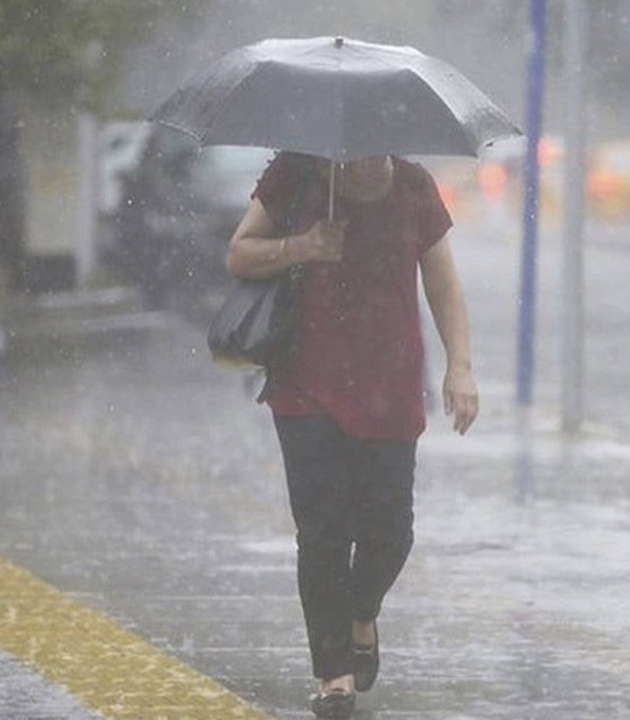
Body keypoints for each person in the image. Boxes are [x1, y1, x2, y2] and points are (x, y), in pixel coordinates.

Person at [226, 151, 478, 719]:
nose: (366, 157)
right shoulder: (296, 174)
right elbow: (239, 253)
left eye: (379, 144)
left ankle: (361, 613)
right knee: (323, 534)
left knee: (392, 532)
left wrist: (459, 366)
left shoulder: (413, 186)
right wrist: (302, 246)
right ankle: (332, 674)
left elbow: (442, 282)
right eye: (357, 146)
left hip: (390, 385)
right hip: (305, 385)